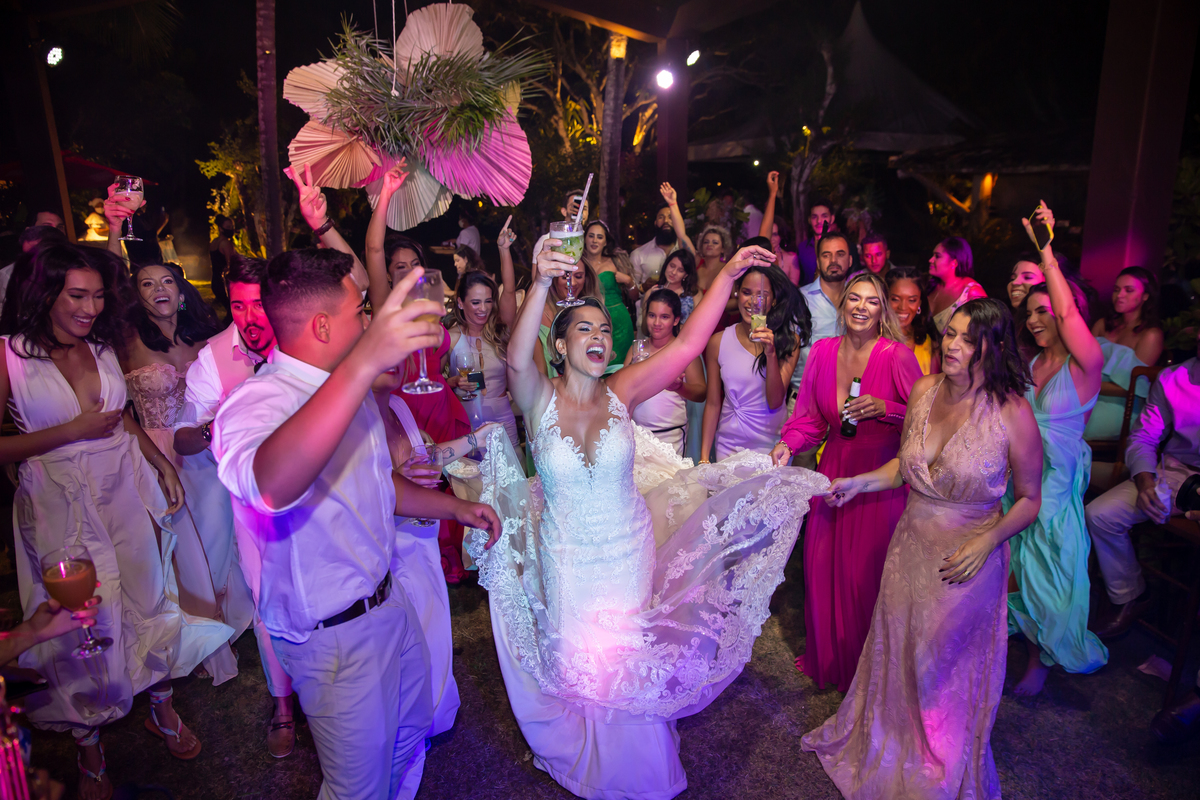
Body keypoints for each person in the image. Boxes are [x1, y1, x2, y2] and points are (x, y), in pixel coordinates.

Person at [472, 239, 827, 800]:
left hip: (626, 553)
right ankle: (587, 755)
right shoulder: (538, 400)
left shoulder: (622, 390)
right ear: (560, 346)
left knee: (623, 658)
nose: (599, 336)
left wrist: (728, 275)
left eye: (604, 329)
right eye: (584, 329)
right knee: (583, 658)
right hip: (568, 557)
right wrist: (538, 282)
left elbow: (688, 345)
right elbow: (517, 360)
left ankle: (635, 772)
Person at [214, 251, 501, 800]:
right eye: (360, 311)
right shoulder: (256, 403)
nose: (369, 323)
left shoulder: (352, 393)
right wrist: (363, 363)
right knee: (356, 789)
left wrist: (455, 509)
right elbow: (272, 486)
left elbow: (375, 483)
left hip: (389, 602)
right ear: (324, 326)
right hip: (334, 638)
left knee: (410, 733)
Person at [3, 244, 231, 798]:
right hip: (58, 497)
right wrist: (70, 432)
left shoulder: (102, 345)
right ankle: (89, 746)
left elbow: (120, 418)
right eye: (76, 296)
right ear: (43, 293)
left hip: (124, 485)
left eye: (98, 296)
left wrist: (160, 464)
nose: (90, 308)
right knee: (80, 617)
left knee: (148, 594)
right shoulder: (9, 356)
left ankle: (162, 707)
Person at [803, 297, 1043, 799]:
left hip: (966, 560)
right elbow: (905, 467)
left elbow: (1029, 499)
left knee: (940, 673)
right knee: (901, 656)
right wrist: (859, 482)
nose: (951, 345)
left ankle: (936, 768)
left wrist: (988, 541)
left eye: (967, 340)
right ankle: (892, 745)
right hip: (908, 549)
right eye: (950, 334)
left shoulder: (1013, 411)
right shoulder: (923, 391)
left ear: (993, 348)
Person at [771, 270, 922, 691]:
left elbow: (927, 419)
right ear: (843, 305)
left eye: (872, 301)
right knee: (823, 566)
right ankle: (833, 660)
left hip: (881, 476)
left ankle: (872, 674)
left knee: (865, 577)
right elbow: (809, 419)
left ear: (882, 310)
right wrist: (787, 443)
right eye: (855, 298)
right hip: (833, 470)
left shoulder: (896, 356)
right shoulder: (822, 352)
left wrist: (888, 409)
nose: (861, 307)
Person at [170, 255, 297, 756]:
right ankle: (283, 706)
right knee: (267, 602)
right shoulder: (213, 358)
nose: (248, 317)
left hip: (313, 495)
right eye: (238, 305)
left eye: (259, 304)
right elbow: (182, 438)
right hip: (252, 508)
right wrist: (217, 423)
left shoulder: (302, 340)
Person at [120, 261, 252, 685]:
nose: (159, 289)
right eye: (147, 283)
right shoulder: (125, 341)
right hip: (153, 453)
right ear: (137, 295)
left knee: (216, 538)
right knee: (176, 551)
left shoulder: (205, 340)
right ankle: (191, 633)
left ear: (180, 292)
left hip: (201, 452)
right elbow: (117, 409)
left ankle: (222, 620)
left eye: (167, 281)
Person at [1006, 203, 1108, 696]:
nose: (1033, 320)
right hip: (1019, 478)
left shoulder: (1086, 364)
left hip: (1055, 486)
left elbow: (1066, 310)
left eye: (1042, 311)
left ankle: (1042, 657)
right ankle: (1016, 643)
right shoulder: (1031, 364)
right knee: (1015, 564)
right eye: (1029, 313)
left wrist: (1045, 250)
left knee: (1048, 569)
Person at [1085, 326, 1200, 642]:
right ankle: (1131, 596)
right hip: (1177, 474)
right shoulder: (1174, 378)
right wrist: (1146, 480)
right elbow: (1144, 436)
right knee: (1100, 514)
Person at [702, 263, 806, 461]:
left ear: (773, 300)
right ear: (737, 293)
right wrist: (704, 457)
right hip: (728, 444)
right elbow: (713, 404)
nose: (752, 301)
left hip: (771, 446)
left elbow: (775, 401)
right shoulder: (718, 341)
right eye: (746, 292)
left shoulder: (789, 341)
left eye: (762, 295)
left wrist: (771, 354)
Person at [1084, 266, 1163, 442]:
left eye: (1129, 290)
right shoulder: (1102, 325)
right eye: (1116, 289)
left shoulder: (1150, 335)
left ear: (1145, 296)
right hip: (1086, 398)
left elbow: (1134, 388)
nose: (1119, 295)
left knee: (1068, 427)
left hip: (1121, 407)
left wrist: (1086, 385)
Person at [445, 269, 520, 449]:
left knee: (511, 465)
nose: (484, 308)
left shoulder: (499, 333)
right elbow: (434, 383)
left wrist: (504, 252)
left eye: (488, 301)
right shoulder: (450, 338)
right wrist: (453, 382)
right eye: (476, 302)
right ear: (461, 303)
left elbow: (509, 291)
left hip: (502, 420)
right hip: (467, 421)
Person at [626, 288, 706, 454]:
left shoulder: (684, 351)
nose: (656, 323)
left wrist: (679, 387)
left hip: (670, 436)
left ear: (676, 320)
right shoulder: (637, 348)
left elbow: (701, 393)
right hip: (636, 434)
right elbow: (622, 389)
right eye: (652, 315)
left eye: (664, 317)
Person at [581, 219, 636, 366]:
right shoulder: (578, 263)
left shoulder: (616, 262)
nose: (595, 240)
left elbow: (635, 296)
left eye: (599, 237)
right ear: (585, 239)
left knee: (622, 370)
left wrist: (629, 281)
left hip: (619, 324)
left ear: (605, 242)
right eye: (591, 236)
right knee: (595, 367)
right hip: (591, 323)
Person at [535, 260, 600, 376]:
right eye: (565, 277)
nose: (572, 283)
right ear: (554, 278)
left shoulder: (591, 311)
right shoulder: (537, 314)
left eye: (578, 276)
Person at [629, 183, 695, 286]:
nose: (666, 221)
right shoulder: (638, 254)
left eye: (670, 217)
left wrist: (673, 203)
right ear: (655, 223)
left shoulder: (684, 251)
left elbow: (682, 234)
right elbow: (631, 290)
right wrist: (643, 287)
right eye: (661, 217)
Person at [0, 225, 69, 314]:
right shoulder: (10, 276)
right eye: (26, 256)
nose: (30, 262)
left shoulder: (76, 277)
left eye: (36, 256)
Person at [886, 265, 940, 375]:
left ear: (919, 303)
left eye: (912, 300)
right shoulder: (872, 339)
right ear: (885, 299)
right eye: (895, 299)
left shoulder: (930, 345)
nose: (903, 307)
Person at [929, 236, 987, 333]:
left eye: (937, 256)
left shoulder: (971, 292)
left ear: (954, 262)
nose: (930, 260)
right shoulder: (930, 285)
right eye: (932, 255)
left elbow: (984, 331)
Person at [758, 171, 802, 285]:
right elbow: (764, 237)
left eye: (775, 234)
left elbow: (794, 288)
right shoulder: (760, 256)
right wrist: (772, 193)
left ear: (781, 236)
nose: (771, 238)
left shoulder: (791, 257)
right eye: (770, 234)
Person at [653, 249, 701, 325]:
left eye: (680, 270)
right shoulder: (654, 291)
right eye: (672, 266)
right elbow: (645, 327)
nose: (674, 272)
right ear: (666, 265)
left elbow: (700, 323)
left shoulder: (694, 294)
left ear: (686, 275)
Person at [209, 215, 237, 316]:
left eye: (232, 227)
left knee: (230, 312)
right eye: (228, 227)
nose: (231, 229)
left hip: (215, 281)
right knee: (232, 312)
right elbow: (231, 264)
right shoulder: (226, 243)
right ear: (220, 228)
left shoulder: (214, 242)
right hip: (225, 282)